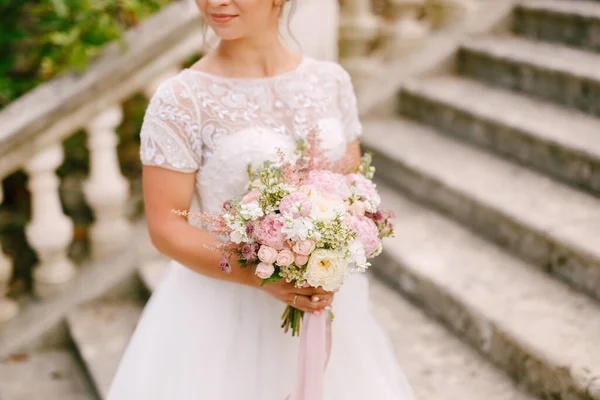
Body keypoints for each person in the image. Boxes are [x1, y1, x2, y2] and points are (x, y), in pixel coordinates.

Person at [106, 0, 414, 399]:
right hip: (223, 313)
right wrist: (260, 274)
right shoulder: (181, 100)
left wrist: (332, 253)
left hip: (326, 300)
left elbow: (352, 192)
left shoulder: (331, 81)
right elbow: (166, 226)